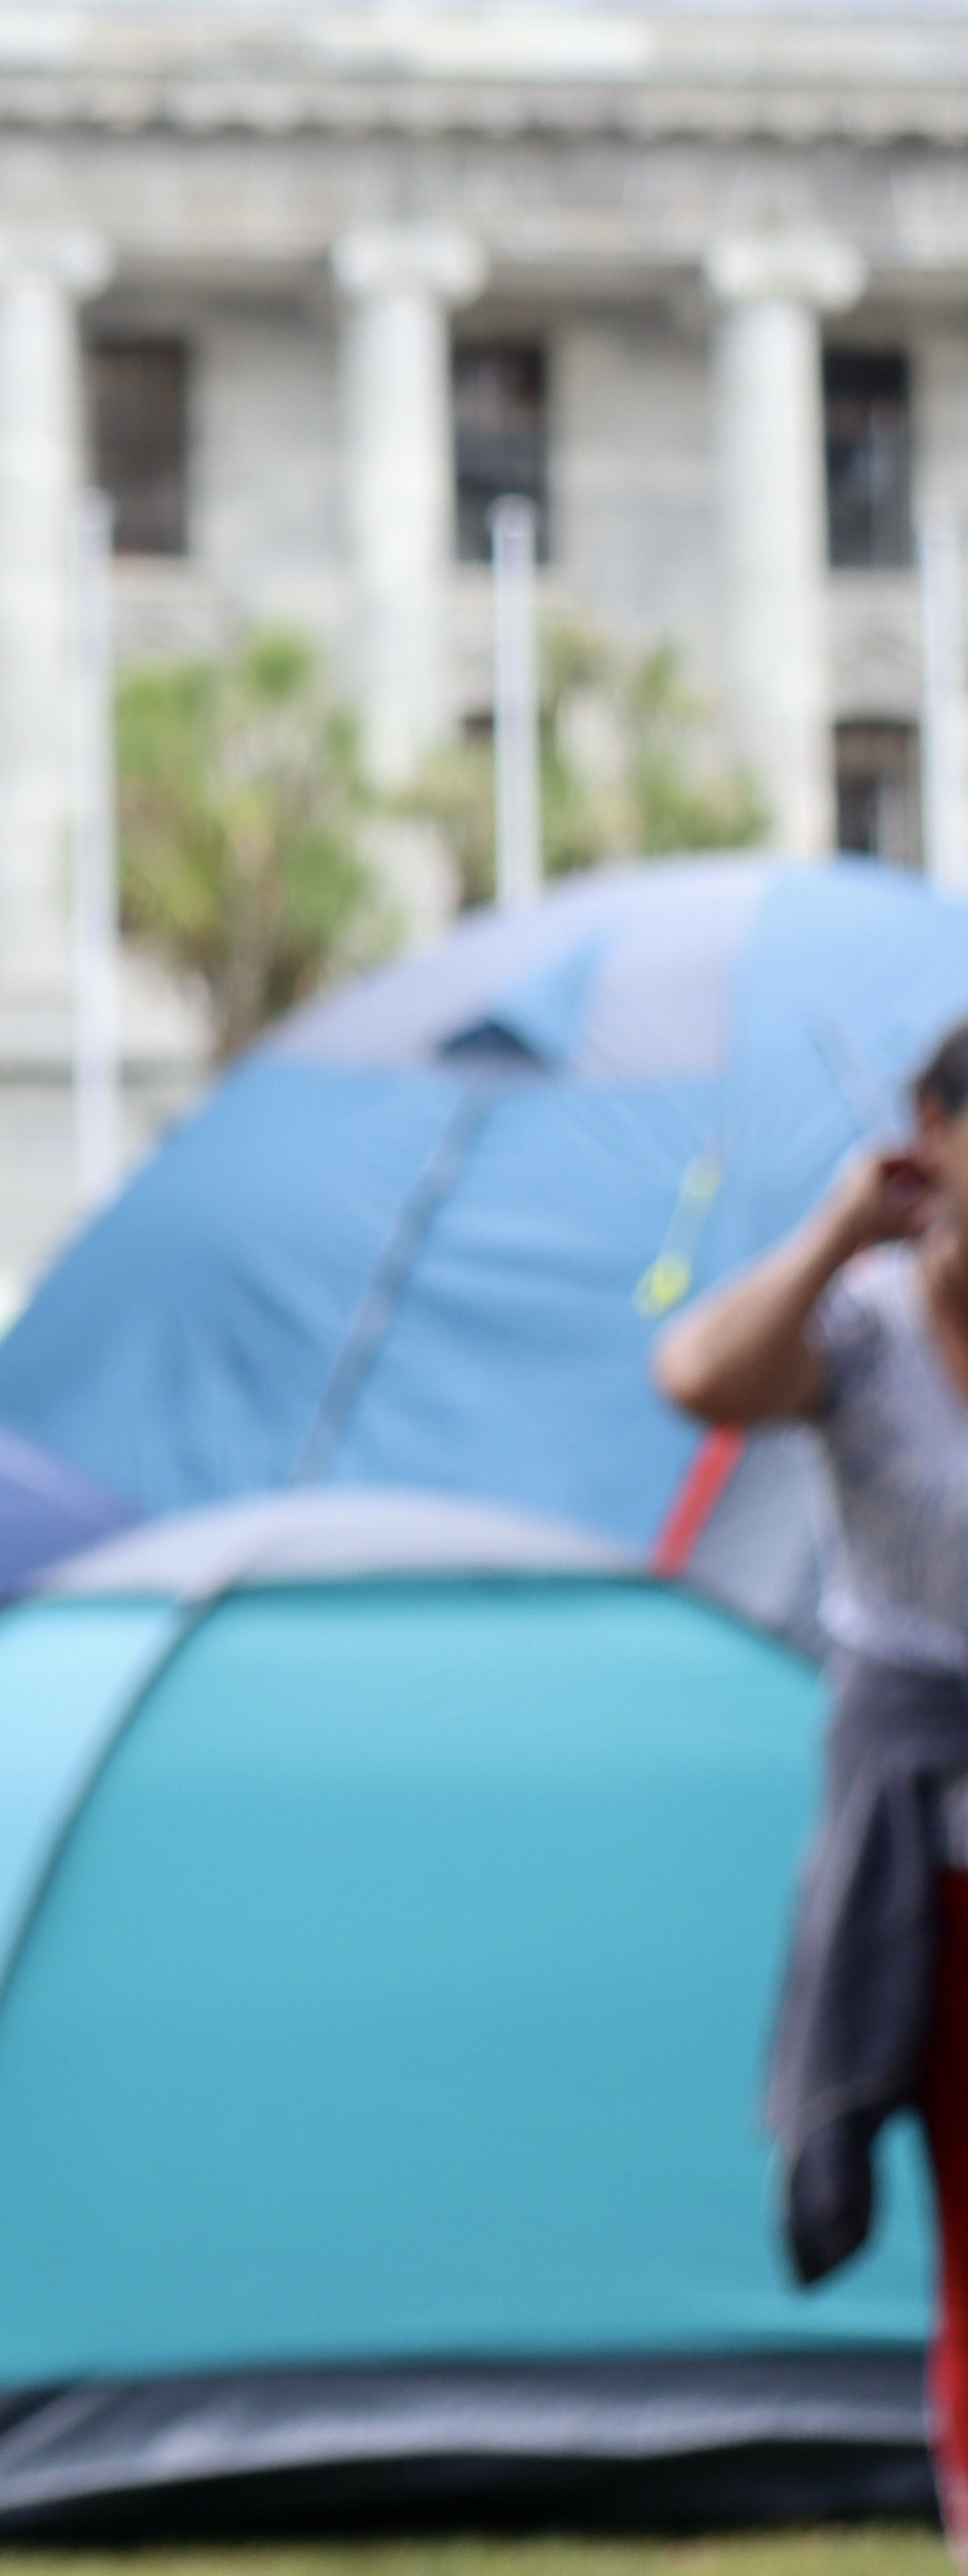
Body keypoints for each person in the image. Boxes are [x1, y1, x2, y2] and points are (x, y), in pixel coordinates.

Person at [659, 1017, 968, 2547]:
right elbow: (699, 1374)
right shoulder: (862, 1324)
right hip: (921, 1838)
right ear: (936, 1133)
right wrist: (850, 1213)